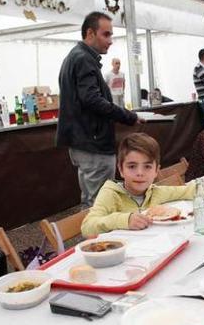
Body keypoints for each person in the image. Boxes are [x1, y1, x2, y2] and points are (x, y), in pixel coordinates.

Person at [56, 12, 141, 208]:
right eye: (106, 34)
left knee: (90, 202)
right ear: (90, 33)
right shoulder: (83, 59)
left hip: (84, 142)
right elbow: (92, 100)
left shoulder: (76, 57)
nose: (110, 41)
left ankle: (93, 237)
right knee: (101, 204)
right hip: (93, 143)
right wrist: (128, 116)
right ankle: (100, 239)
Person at [82, 134, 204, 236]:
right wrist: (125, 220)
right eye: (132, 166)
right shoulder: (110, 194)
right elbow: (87, 227)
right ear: (121, 169)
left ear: (156, 171)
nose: (140, 173)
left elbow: (190, 190)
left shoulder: (155, 192)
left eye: (147, 167)